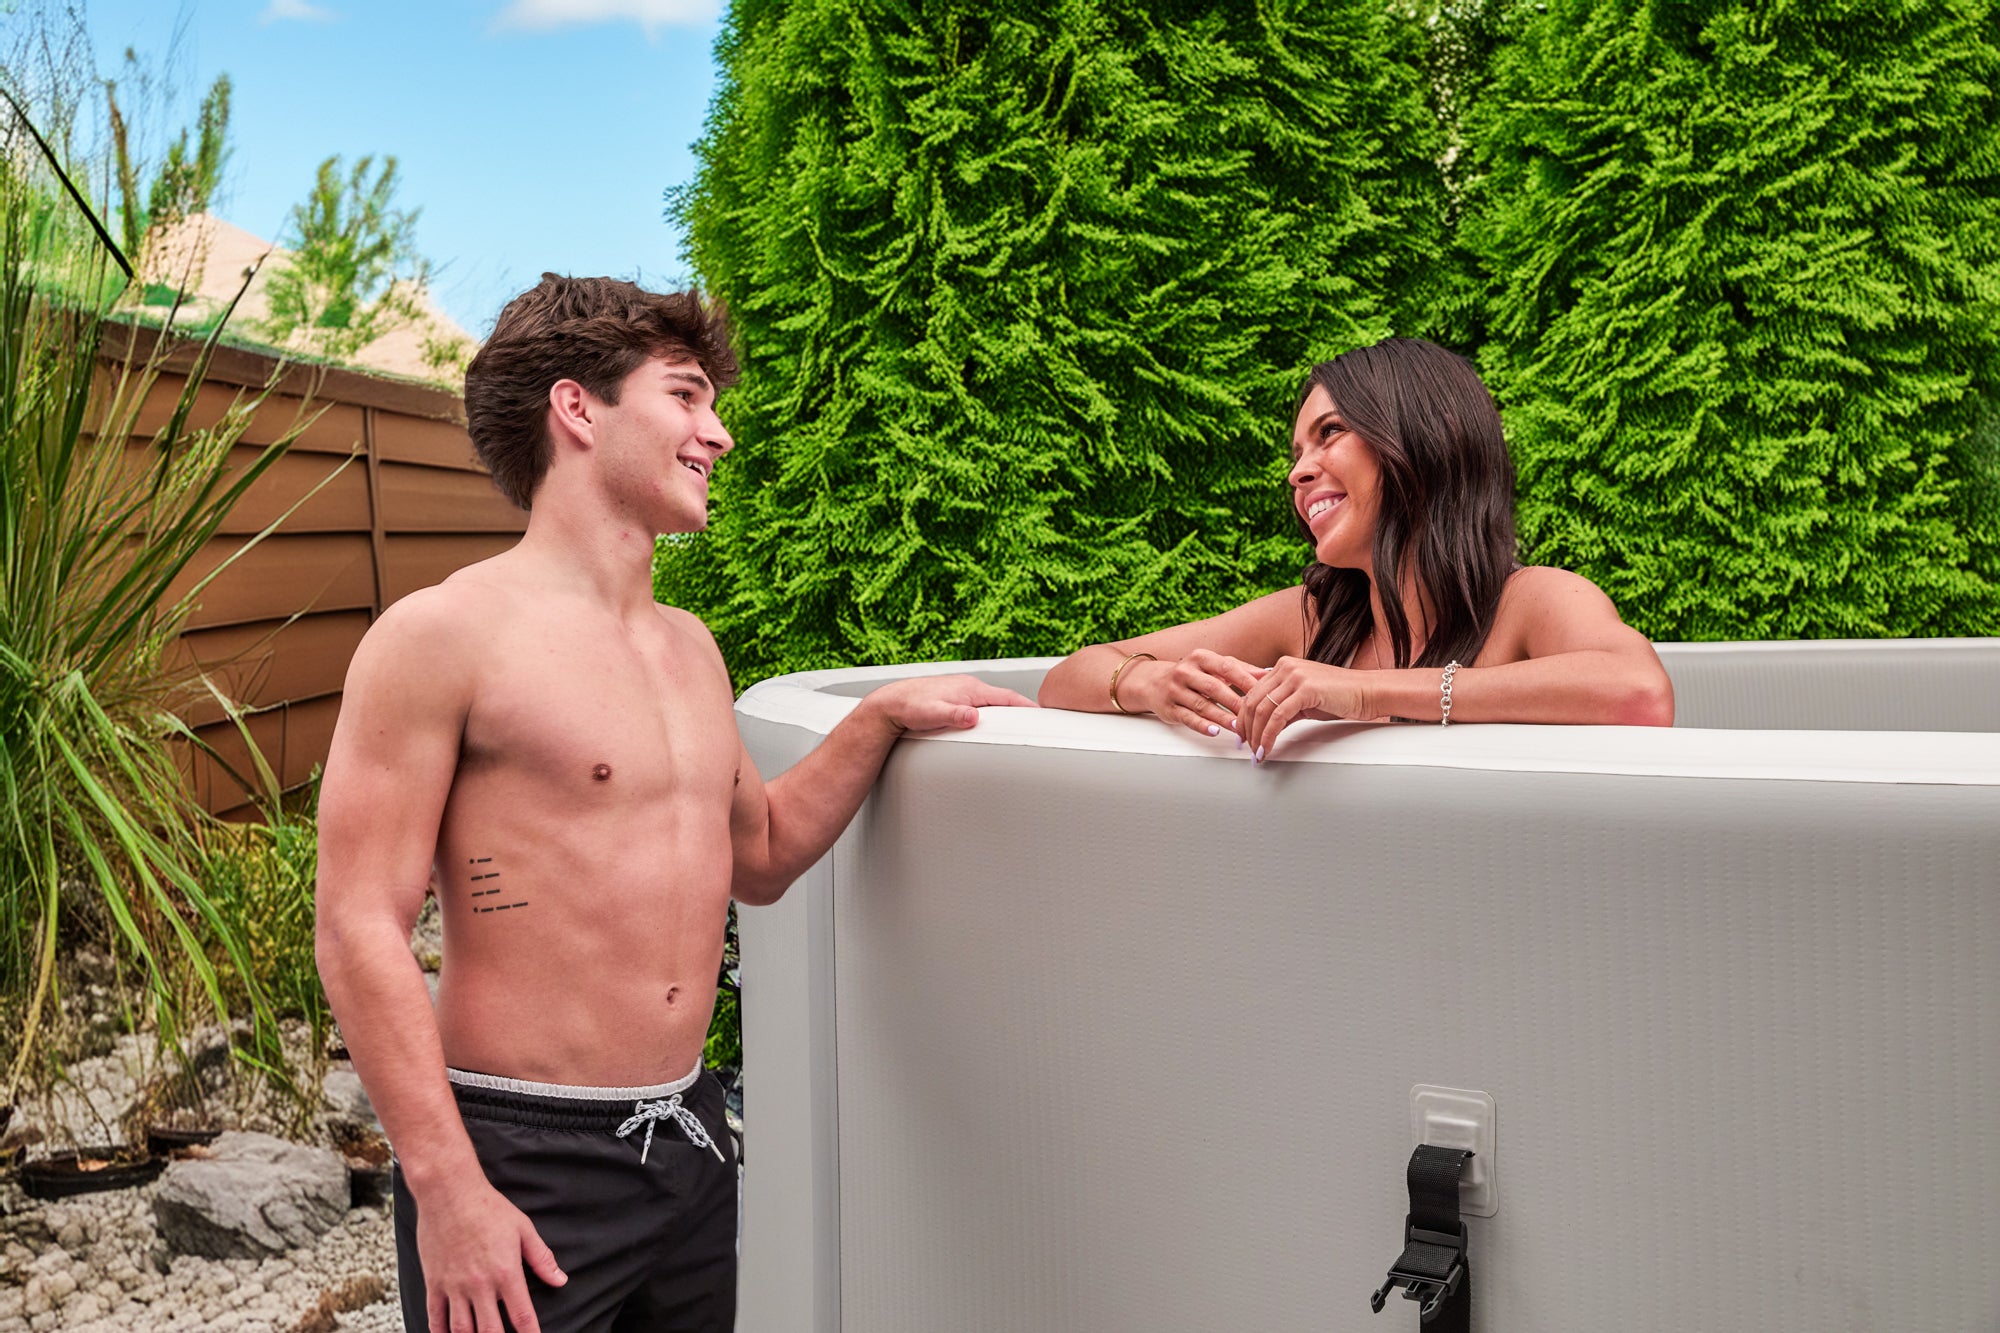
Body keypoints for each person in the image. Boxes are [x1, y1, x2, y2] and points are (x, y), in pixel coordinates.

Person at [314, 275, 1031, 1333]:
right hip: (523, 1158)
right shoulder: (440, 637)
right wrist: (448, 1189)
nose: (719, 434)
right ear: (577, 410)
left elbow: (766, 852)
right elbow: (356, 921)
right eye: (687, 397)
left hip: (688, 1144)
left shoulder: (690, 649)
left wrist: (875, 721)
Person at [1038, 337, 1673, 749]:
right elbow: (1068, 678)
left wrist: (1363, 694)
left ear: (1425, 439)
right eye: (1296, 453)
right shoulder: (1313, 616)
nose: (1298, 471)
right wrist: (1150, 686)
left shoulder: (1530, 602)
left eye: (1330, 432)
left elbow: (1638, 693)